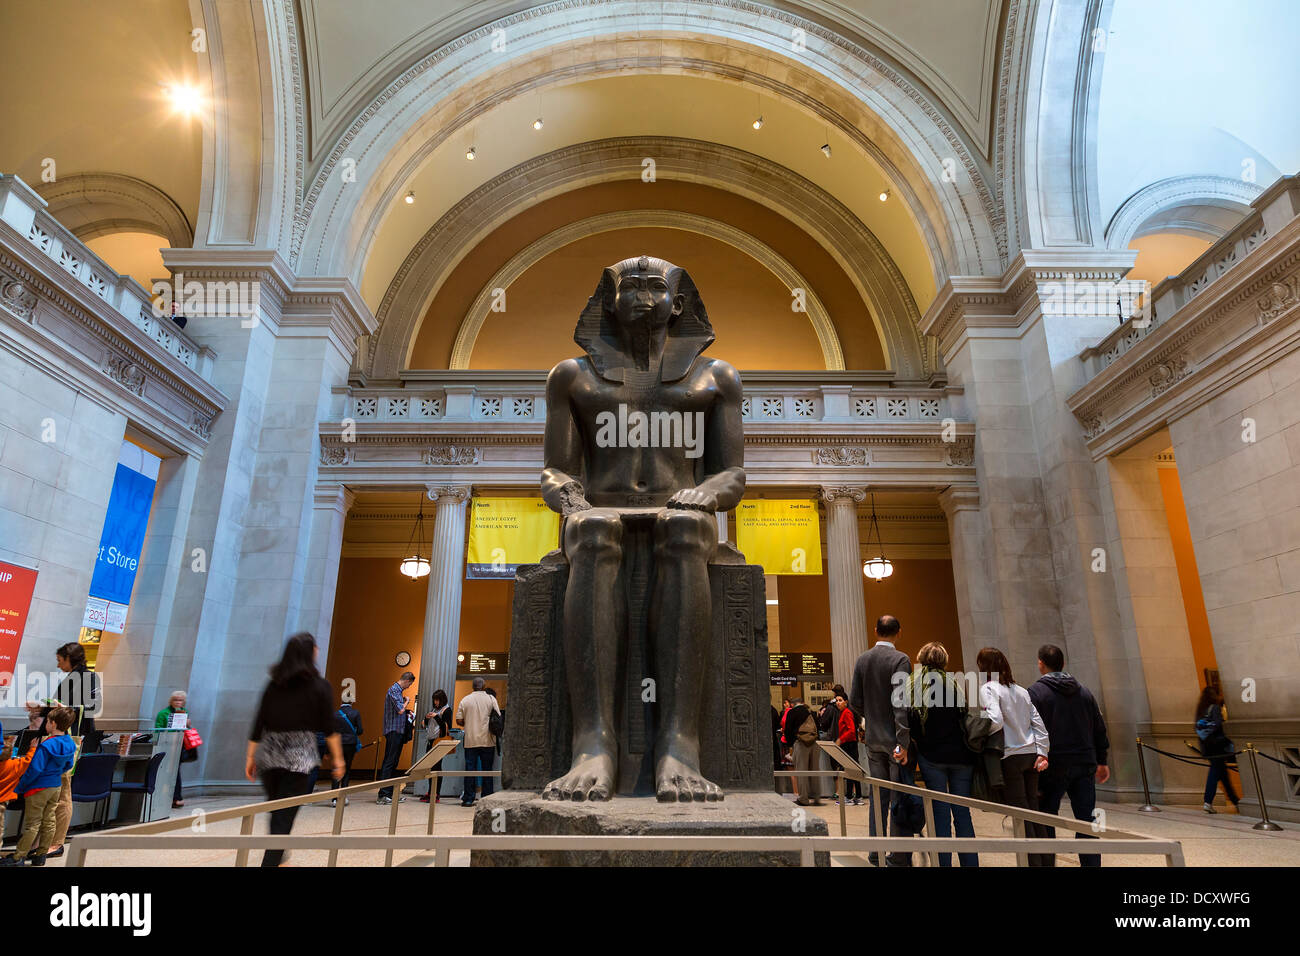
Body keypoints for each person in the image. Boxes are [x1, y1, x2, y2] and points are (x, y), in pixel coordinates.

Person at [246, 633, 343, 867]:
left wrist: (250, 757)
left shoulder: (274, 684)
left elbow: (259, 723)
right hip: (299, 758)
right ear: (310, 653)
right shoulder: (320, 686)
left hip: (269, 755)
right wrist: (338, 759)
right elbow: (330, 727)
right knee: (283, 815)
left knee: (278, 812)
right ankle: (271, 861)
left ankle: (279, 855)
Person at [1028, 644, 1110, 867]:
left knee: (1046, 817)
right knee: (1088, 819)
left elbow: (1031, 731)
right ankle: (1092, 864)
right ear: (1063, 664)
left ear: (1040, 664)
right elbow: (1099, 728)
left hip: (1052, 764)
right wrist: (1102, 761)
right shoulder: (1084, 692)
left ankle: (1047, 863)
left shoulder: (1035, 693)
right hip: (1084, 763)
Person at [904, 642, 977, 867]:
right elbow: (964, 716)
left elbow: (912, 722)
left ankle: (942, 863)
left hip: (932, 756)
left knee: (940, 813)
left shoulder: (914, 685)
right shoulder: (954, 684)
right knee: (963, 813)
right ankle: (970, 863)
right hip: (961, 757)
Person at [977, 647, 1051, 866]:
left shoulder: (988, 688)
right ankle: (1046, 860)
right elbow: (1039, 725)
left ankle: (1032, 863)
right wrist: (1042, 752)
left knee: (1020, 813)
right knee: (1034, 811)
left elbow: (996, 720)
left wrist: (980, 731)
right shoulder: (1021, 691)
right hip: (1030, 755)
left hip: (1010, 755)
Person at [849, 614, 913, 865]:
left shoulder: (863, 659)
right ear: (899, 632)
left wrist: (871, 718)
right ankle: (896, 854)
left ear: (875, 630)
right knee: (897, 796)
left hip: (873, 739)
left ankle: (875, 850)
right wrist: (903, 741)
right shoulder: (901, 659)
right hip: (894, 740)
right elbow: (901, 705)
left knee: (878, 797)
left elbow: (854, 700)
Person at [0, 706, 77, 866]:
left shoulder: (46, 745)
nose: (46, 725)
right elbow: (68, 765)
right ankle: (41, 855)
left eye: (47, 722)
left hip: (38, 787)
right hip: (55, 785)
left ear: (53, 724)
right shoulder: (70, 743)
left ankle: (18, 857)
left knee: (32, 824)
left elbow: (35, 768)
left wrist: (22, 786)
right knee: (49, 820)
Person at [455, 677, 500, 807]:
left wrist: (469, 722)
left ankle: (469, 798)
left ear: (472, 686)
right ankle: (487, 797)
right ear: (484, 685)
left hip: (471, 740)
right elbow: (498, 717)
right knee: (487, 770)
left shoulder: (465, 699)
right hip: (488, 740)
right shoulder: (491, 699)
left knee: (470, 769)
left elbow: (459, 720)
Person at [1195, 685, 1239, 813]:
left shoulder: (1200, 709)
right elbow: (1218, 724)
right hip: (1217, 746)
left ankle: (1235, 801)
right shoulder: (1214, 707)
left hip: (1207, 746)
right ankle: (1208, 801)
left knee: (1222, 774)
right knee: (1215, 772)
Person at [54, 642, 102, 753]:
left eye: (59, 660)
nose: (58, 665)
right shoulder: (69, 679)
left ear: (68, 658)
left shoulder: (89, 677)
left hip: (77, 733)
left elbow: (93, 706)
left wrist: (68, 708)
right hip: (64, 732)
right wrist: (42, 708)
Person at [377, 671, 415, 804]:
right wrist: (407, 702)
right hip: (393, 730)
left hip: (398, 730)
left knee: (394, 762)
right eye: (410, 684)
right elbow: (399, 710)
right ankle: (383, 794)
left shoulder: (398, 692)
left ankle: (391, 793)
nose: (409, 687)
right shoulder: (394, 690)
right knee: (389, 762)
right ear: (407, 680)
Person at [155, 690, 190, 808]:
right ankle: (168, 796)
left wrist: (187, 724)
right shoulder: (163, 713)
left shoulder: (185, 712)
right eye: (175, 700)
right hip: (166, 744)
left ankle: (176, 797)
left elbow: (184, 731)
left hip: (178, 746)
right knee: (166, 771)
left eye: (180, 700)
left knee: (175, 771)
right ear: (171, 701)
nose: (178, 702)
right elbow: (158, 729)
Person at [784, 698, 820, 806]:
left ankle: (803, 798)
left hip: (800, 743)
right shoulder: (811, 712)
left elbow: (788, 730)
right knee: (814, 771)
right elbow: (818, 726)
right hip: (814, 743)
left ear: (792, 704)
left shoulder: (792, 712)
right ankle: (816, 797)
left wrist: (790, 745)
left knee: (801, 772)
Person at [420, 689, 451, 803]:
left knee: (437, 768)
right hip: (430, 740)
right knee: (430, 768)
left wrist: (437, 717)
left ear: (442, 700)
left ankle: (436, 793)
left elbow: (447, 726)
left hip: (439, 741)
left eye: (438, 700)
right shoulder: (434, 709)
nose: (436, 702)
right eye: (434, 700)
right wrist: (426, 719)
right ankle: (430, 791)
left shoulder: (447, 710)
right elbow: (428, 725)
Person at [332, 694, 364, 803]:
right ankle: (343, 796)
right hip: (350, 744)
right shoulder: (355, 713)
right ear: (352, 702)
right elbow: (360, 730)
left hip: (338, 743)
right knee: (347, 769)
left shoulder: (335, 714)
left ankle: (334, 798)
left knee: (337, 768)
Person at [834, 694, 863, 804]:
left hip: (849, 744)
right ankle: (858, 796)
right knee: (854, 770)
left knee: (850, 770)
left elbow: (851, 731)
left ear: (846, 701)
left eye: (840, 700)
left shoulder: (846, 713)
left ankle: (849, 797)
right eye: (836, 700)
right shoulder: (844, 712)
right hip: (849, 744)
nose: (838, 702)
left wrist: (840, 739)